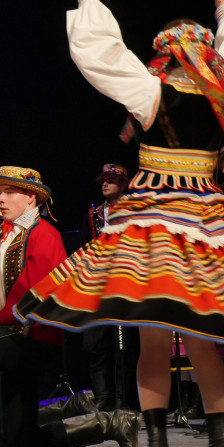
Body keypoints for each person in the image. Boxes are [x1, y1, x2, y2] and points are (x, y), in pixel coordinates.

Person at [15, 0, 224, 447]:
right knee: (204, 342)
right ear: (204, 53)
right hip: (206, 221)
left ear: (164, 52)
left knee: (152, 341)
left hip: (154, 220)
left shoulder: (150, 90)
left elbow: (100, 53)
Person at [0, 121, 140, 447]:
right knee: (24, 445)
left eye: (8, 192)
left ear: (30, 197)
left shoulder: (43, 233)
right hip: (10, 335)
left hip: (32, 338)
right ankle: (111, 423)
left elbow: (40, 292)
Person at [80, 164, 140, 412]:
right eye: (103, 179)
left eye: (112, 180)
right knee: (94, 344)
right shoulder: (93, 214)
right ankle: (104, 398)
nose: (105, 183)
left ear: (125, 183)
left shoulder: (135, 212)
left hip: (127, 285)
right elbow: (83, 248)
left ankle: (125, 400)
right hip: (97, 285)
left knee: (126, 346)